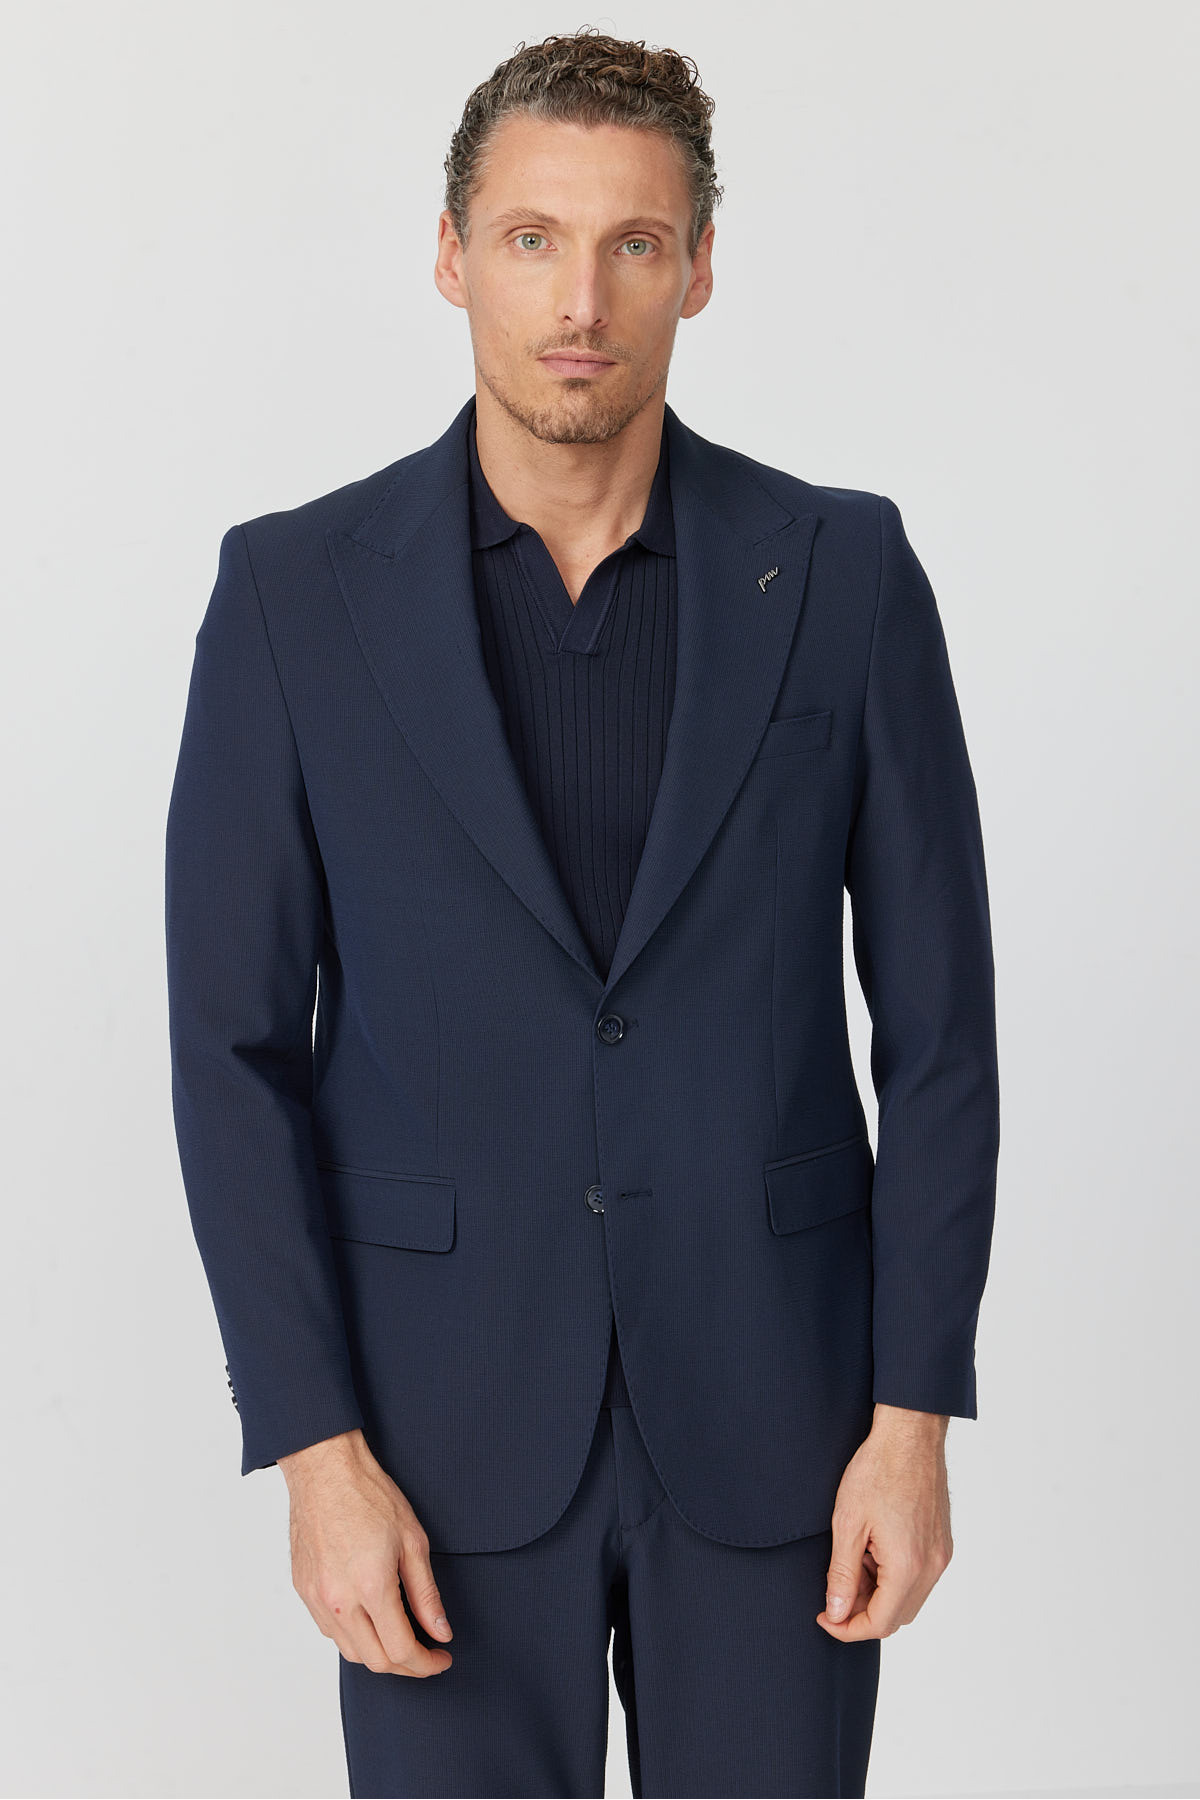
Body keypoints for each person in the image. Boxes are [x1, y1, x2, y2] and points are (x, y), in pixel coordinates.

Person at [164, 27, 1000, 1800]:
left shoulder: (842, 574)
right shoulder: (292, 595)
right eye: (532, 237)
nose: (580, 299)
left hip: (784, 1434)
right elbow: (232, 1054)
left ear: (699, 268)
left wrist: (913, 1420)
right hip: (430, 1448)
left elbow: (942, 1036)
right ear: (450, 254)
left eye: (634, 242)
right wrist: (314, 1450)